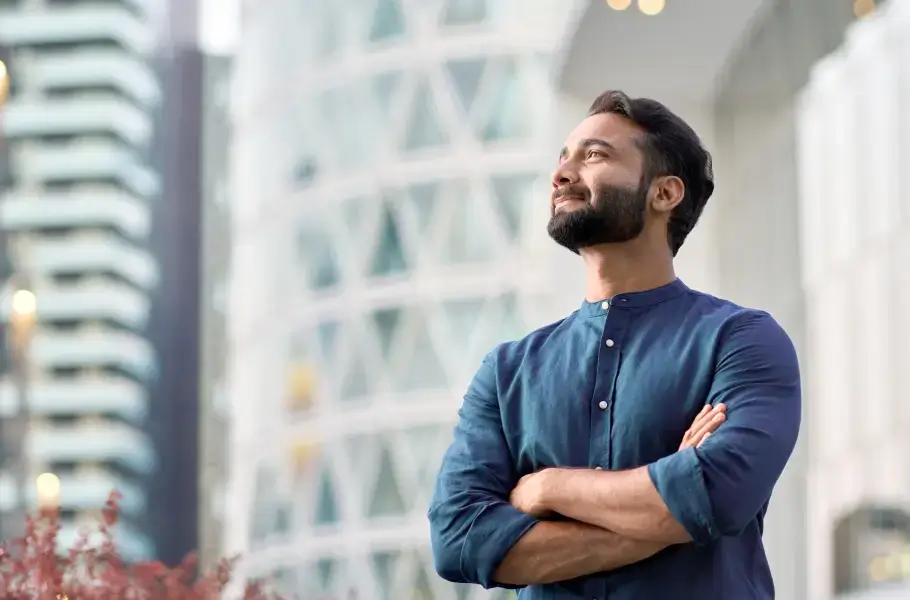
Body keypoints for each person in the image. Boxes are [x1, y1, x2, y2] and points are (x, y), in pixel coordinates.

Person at [427, 90, 801, 599]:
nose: (562, 174)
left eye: (594, 156)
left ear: (665, 194)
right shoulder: (507, 371)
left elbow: (719, 493)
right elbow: (458, 540)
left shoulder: (742, 341)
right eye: (563, 157)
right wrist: (665, 506)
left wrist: (547, 487)